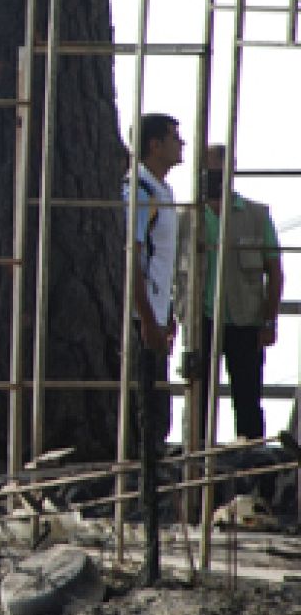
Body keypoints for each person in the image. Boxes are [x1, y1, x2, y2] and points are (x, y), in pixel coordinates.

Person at [177, 145, 281, 441]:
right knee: (197, 396)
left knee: (247, 397)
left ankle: (251, 462)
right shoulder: (186, 215)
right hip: (201, 321)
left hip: (245, 321)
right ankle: (195, 458)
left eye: (215, 170)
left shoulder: (257, 215)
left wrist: (270, 320)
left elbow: (274, 271)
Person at [126, 113, 184, 453]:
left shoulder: (162, 190)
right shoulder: (140, 190)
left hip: (156, 310)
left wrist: (167, 311)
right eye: (175, 138)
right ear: (154, 145)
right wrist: (147, 317)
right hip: (140, 314)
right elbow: (132, 256)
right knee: (146, 402)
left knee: (158, 400)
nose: (182, 145)